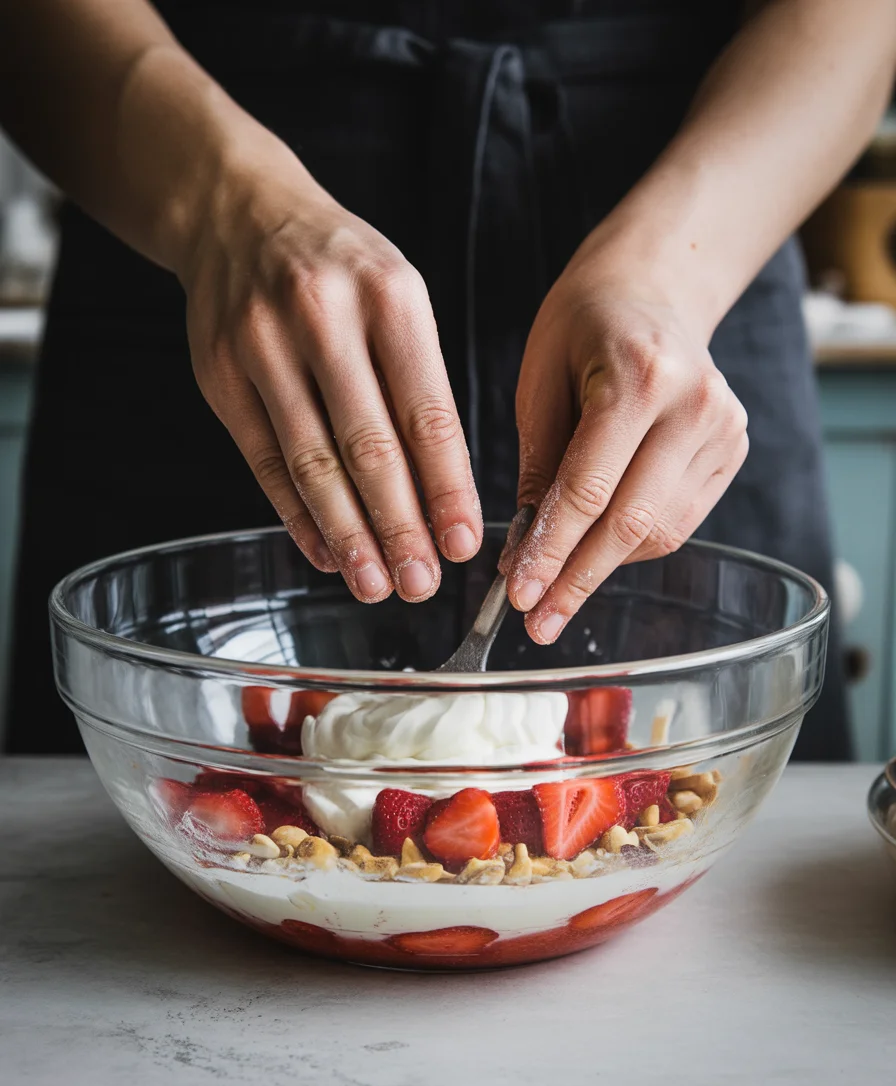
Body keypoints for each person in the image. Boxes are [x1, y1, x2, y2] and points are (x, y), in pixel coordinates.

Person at [2, 0, 892, 758]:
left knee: (712, 807)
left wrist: (669, 275)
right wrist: (222, 203)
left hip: (705, 223)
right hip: (169, 183)